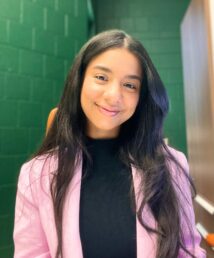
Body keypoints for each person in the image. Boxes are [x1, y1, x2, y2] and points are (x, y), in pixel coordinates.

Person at [13, 29, 206, 258]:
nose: (114, 95)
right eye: (101, 77)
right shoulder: (37, 173)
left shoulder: (170, 166)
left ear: (141, 96)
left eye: (130, 85)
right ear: (79, 79)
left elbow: (188, 251)